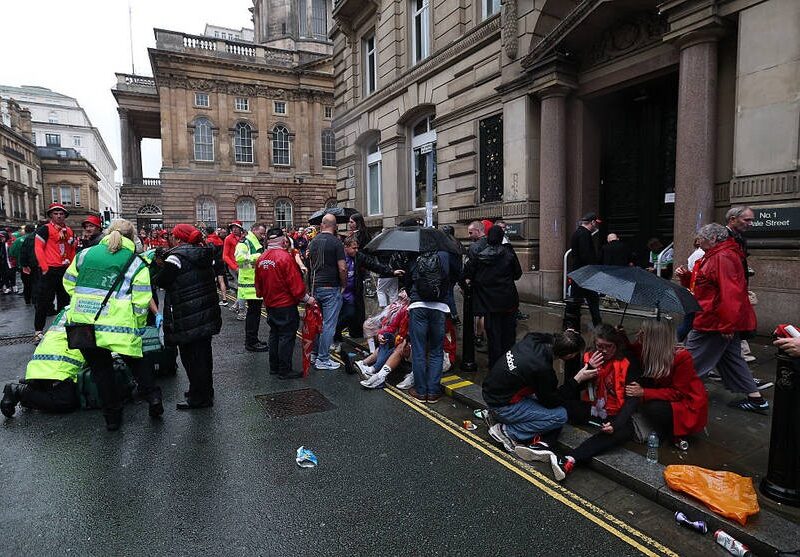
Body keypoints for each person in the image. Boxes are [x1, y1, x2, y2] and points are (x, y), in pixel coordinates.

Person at [63, 219, 158, 430]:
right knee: (135, 360)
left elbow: (69, 281)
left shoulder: (85, 254)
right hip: (119, 325)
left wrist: (81, 301)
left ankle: (112, 418)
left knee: (101, 372)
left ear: (108, 233)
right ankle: (153, 399)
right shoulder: (136, 262)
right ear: (132, 237)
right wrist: (140, 323)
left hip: (83, 323)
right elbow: (142, 298)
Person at [679, 223, 767, 413]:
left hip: (713, 321)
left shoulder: (722, 257)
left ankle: (678, 392)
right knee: (732, 359)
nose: (698, 241)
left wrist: (726, 325)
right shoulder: (718, 255)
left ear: (712, 239)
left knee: (690, 358)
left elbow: (730, 294)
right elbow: (706, 284)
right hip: (718, 319)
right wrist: (686, 278)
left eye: (701, 238)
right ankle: (756, 399)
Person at [482, 331, 585, 480]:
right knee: (560, 415)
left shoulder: (532, 339)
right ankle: (508, 432)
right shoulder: (543, 368)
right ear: (569, 356)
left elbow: (548, 336)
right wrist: (577, 379)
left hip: (491, 392)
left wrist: (566, 336)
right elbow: (551, 401)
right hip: (502, 405)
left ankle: (498, 417)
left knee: (537, 396)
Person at [554, 324, 642, 480]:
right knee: (560, 405)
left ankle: (571, 459)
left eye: (609, 347)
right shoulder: (590, 357)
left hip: (617, 414)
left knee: (620, 432)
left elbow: (632, 401)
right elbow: (576, 387)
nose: (605, 351)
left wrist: (615, 424)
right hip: (595, 408)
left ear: (616, 345)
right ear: (595, 344)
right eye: (600, 346)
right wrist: (589, 367)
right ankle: (540, 440)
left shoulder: (628, 362)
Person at [152, 224, 222, 408]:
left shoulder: (176, 257)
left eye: (172, 236)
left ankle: (199, 398)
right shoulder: (203, 252)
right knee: (204, 356)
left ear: (178, 238)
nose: (170, 239)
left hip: (187, 313)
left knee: (191, 358)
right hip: (205, 311)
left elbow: (162, 281)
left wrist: (157, 266)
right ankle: (204, 391)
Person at [624, 320, 708, 444]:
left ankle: (666, 432)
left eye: (642, 333)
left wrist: (644, 392)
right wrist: (621, 336)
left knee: (653, 408)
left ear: (653, 338)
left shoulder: (682, 357)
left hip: (685, 402)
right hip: (663, 390)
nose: (637, 335)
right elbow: (632, 351)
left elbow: (678, 393)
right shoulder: (646, 347)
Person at [403, 244, 460, 403]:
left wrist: (414, 294)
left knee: (419, 350)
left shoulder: (414, 255)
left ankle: (420, 391)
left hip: (418, 306)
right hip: (440, 306)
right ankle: (433, 392)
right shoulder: (445, 254)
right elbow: (456, 274)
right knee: (436, 350)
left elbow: (407, 282)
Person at [255, 227, 314, 380]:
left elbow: (258, 284)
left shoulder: (262, 258)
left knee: (274, 334)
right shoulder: (285, 257)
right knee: (286, 336)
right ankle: (284, 370)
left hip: (270, 303)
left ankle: (274, 367)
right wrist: (308, 299)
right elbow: (295, 284)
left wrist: (261, 296)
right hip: (285, 304)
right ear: (282, 240)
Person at [1, 308, 83, 418]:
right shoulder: (93, 310)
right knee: (65, 402)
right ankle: (18, 391)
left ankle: (34, 388)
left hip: (48, 362)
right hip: (57, 366)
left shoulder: (73, 307)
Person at [464, 225, 522, 369]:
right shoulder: (509, 253)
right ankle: (509, 365)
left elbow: (467, 273)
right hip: (508, 301)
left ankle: (495, 367)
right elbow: (517, 274)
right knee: (509, 337)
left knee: (494, 337)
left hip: (489, 303)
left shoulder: (480, 254)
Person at [308, 213, 347, 370]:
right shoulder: (337, 243)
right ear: (335, 226)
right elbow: (342, 267)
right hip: (331, 288)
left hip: (315, 287)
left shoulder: (313, 242)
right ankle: (323, 359)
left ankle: (314, 354)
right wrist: (344, 284)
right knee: (329, 325)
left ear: (322, 225)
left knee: (317, 323)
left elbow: (310, 266)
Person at [34, 203, 76, 342]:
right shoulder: (44, 229)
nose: (58, 216)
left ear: (64, 215)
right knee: (44, 301)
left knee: (64, 300)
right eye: (55, 213)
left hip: (64, 269)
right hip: (50, 270)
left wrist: (72, 267)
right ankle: (38, 331)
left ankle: (61, 329)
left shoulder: (69, 231)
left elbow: (71, 250)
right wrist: (44, 267)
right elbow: (39, 248)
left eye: (61, 213)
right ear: (51, 215)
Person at [564, 213, 602, 330]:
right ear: (592, 222)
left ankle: (571, 326)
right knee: (593, 301)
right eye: (596, 223)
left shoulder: (578, 233)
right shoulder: (584, 234)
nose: (596, 226)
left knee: (576, 301)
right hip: (585, 274)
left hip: (578, 273)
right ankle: (598, 326)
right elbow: (586, 255)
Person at [235, 223, 268, 352]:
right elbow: (240, 259)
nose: (263, 235)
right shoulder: (245, 242)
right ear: (254, 230)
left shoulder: (255, 243)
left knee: (255, 314)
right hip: (249, 284)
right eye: (261, 233)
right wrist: (259, 257)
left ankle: (253, 340)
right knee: (253, 315)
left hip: (255, 283)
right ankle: (251, 342)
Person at [466, 220, 488, 350]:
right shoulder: (491, 243)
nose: (468, 235)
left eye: (470, 232)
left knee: (480, 313)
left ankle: (479, 335)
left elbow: (470, 268)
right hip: (490, 284)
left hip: (478, 283)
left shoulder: (475, 247)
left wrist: (467, 280)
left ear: (478, 231)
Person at [223, 221, 246, 319]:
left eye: (236, 227)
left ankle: (236, 305)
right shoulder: (228, 238)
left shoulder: (245, 238)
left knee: (242, 288)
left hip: (244, 266)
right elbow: (225, 256)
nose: (234, 229)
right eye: (232, 227)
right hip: (234, 266)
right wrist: (234, 267)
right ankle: (242, 311)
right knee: (241, 288)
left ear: (240, 228)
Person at [205, 226, 228, 306]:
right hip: (221, 262)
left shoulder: (209, 240)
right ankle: (224, 299)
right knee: (221, 281)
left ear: (207, 232)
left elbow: (211, 251)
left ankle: (212, 299)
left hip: (213, 263)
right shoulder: (219, 239)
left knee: (212, 281)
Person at [17, 224, 37, 305]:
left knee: (26, 284)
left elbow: (11, 252)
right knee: (35, 282)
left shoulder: (19, 240)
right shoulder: (38, 238)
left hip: (23, 266)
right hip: (35, 265)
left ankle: (28, 300)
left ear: (25, 230)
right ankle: (35, 299)